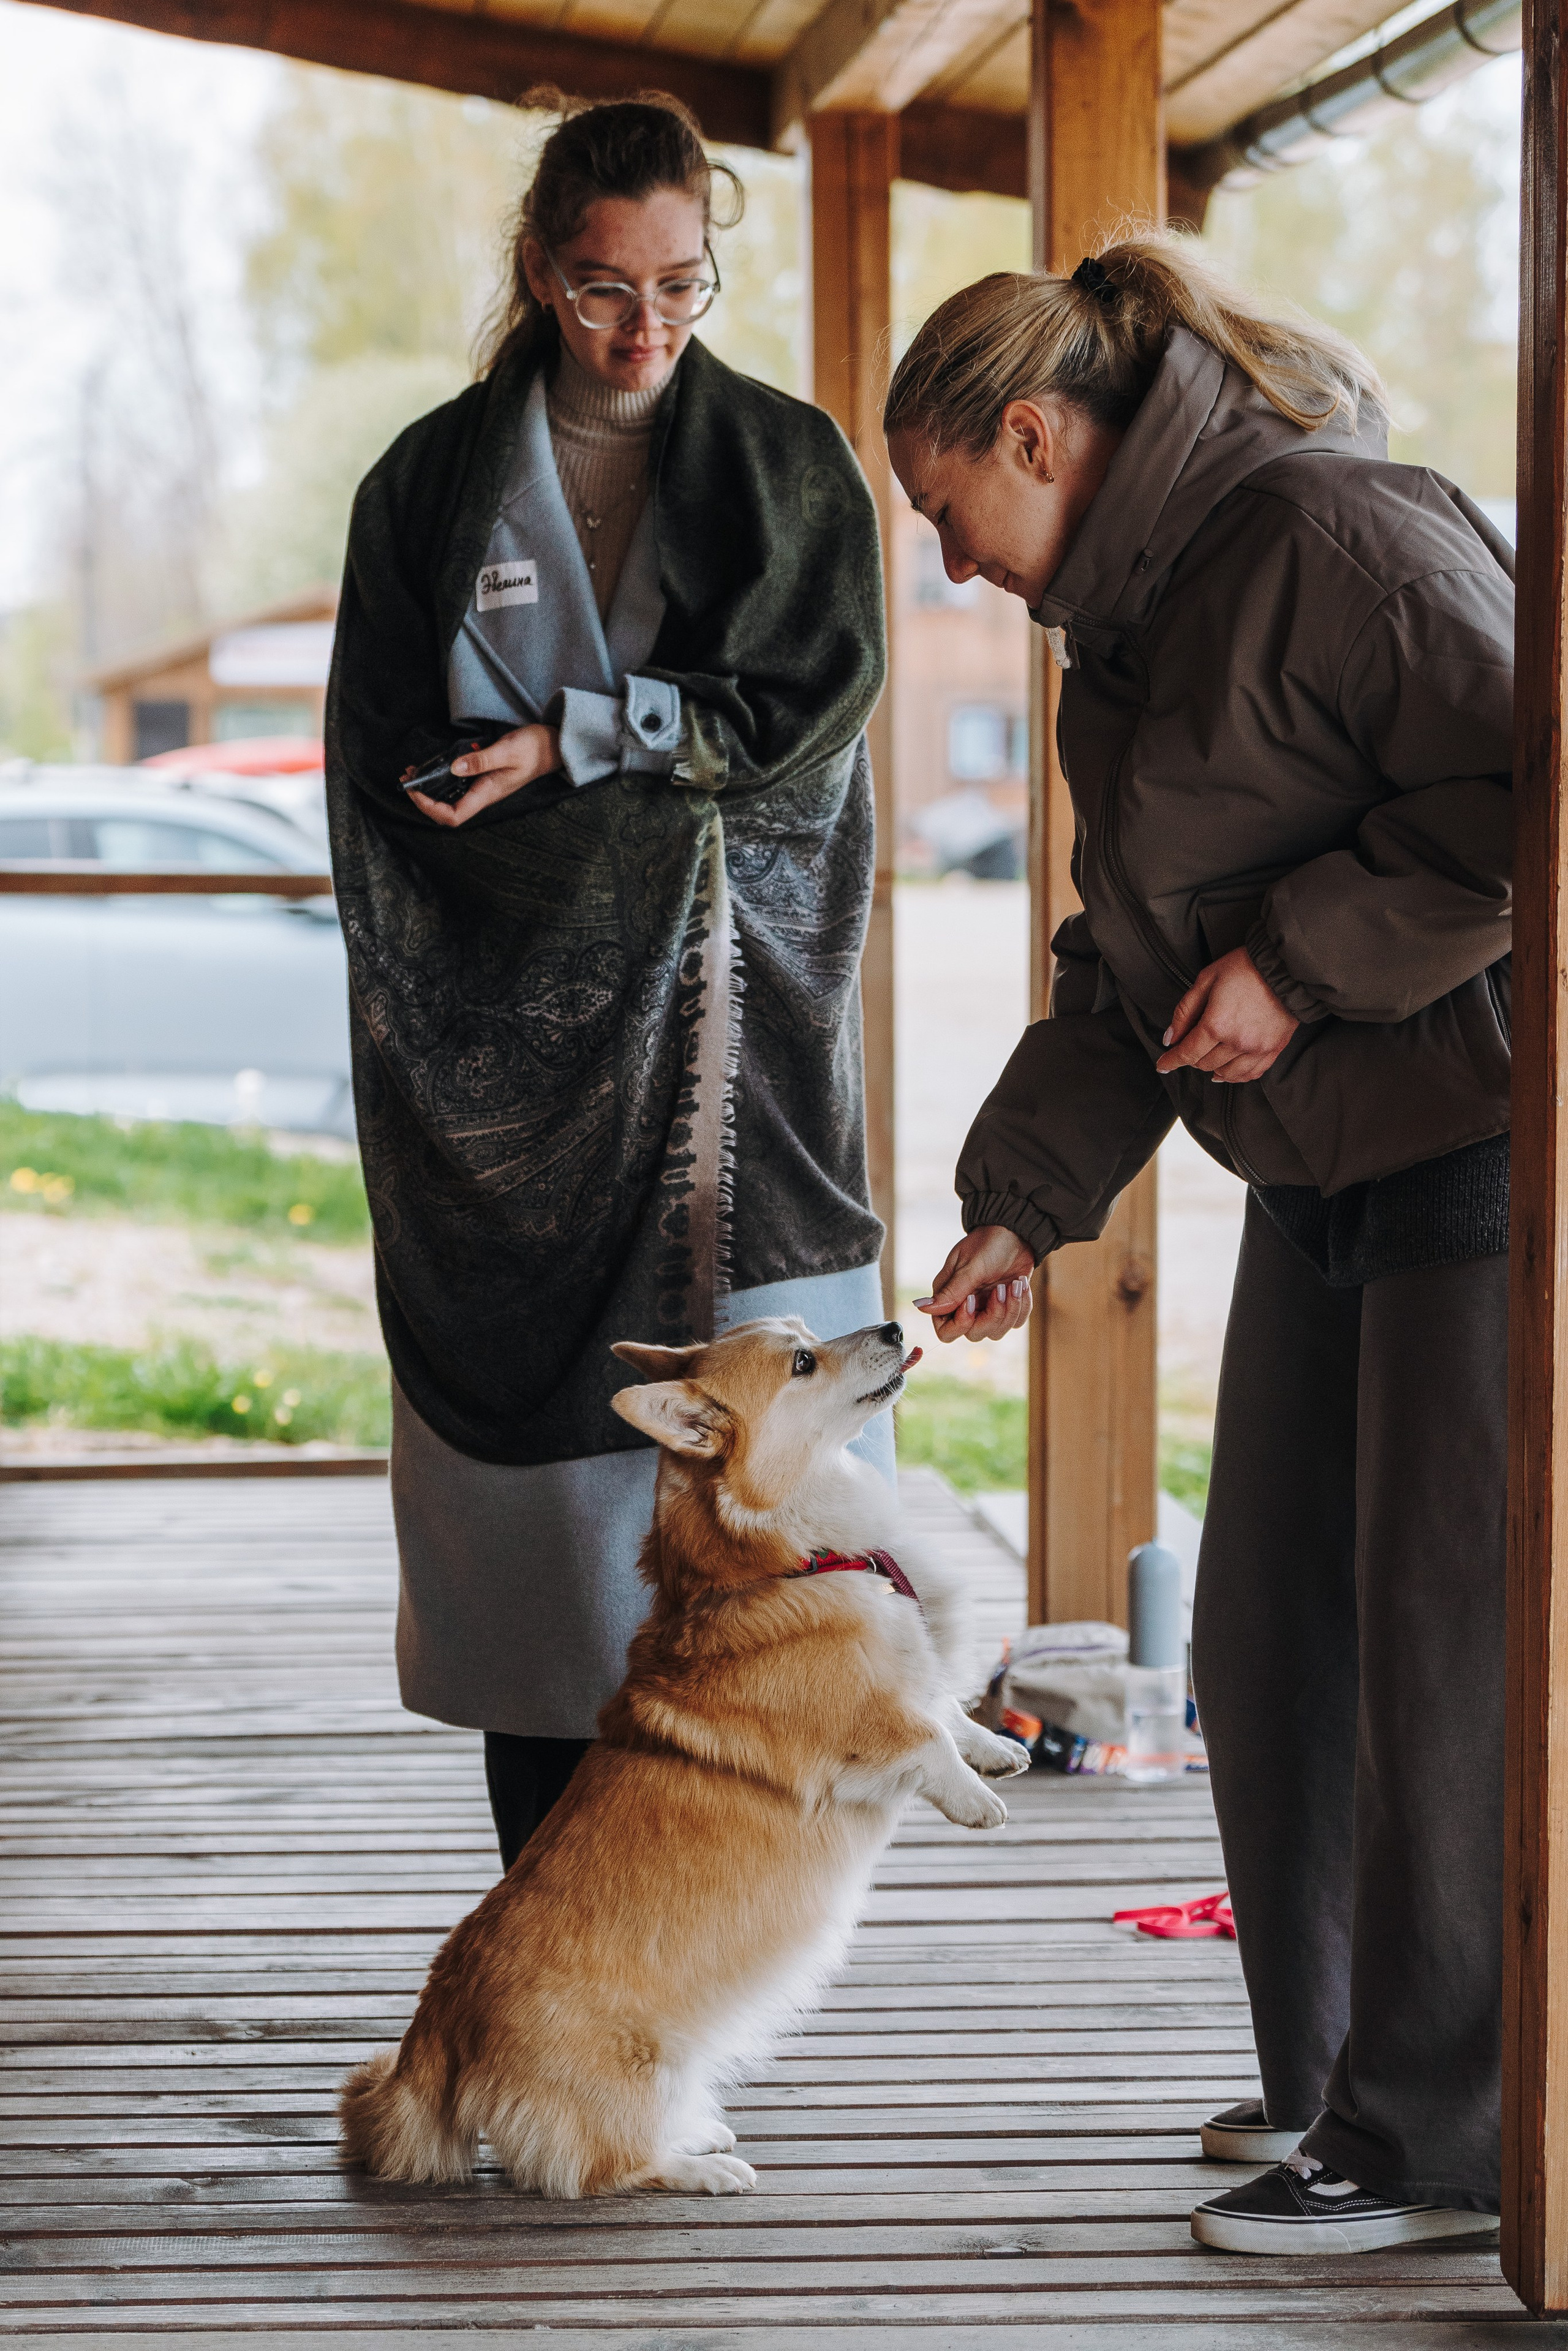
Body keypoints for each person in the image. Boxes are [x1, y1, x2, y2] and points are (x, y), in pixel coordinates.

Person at [883, 236, 1512, 2255]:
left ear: (1037, 435)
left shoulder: (1344, 540)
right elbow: (1126, 967)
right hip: (1329, 1174)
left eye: (945, 511)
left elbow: (1535, 794)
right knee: (1265, 1635)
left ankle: (1450, 2142)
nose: (951, 565)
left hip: (1489, 1150)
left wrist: (1304, 967)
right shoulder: (1133, 634)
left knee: (1437, 1659)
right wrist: (1024, 1201)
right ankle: (1343, 2084)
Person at [326, 92, 889, 1874]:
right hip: (505, 1070)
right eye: (599, 288)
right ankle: (545, 1926)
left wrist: (581, 753)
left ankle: (721, 1953)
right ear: (537, 271)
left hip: (744, 1052)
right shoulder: (426, 488)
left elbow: (805, 737)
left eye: (682, 285)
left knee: (773, 1540)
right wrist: (559, 817)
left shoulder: (789, 470)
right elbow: (384, 768)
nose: (645, 328)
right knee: (542, 1562)